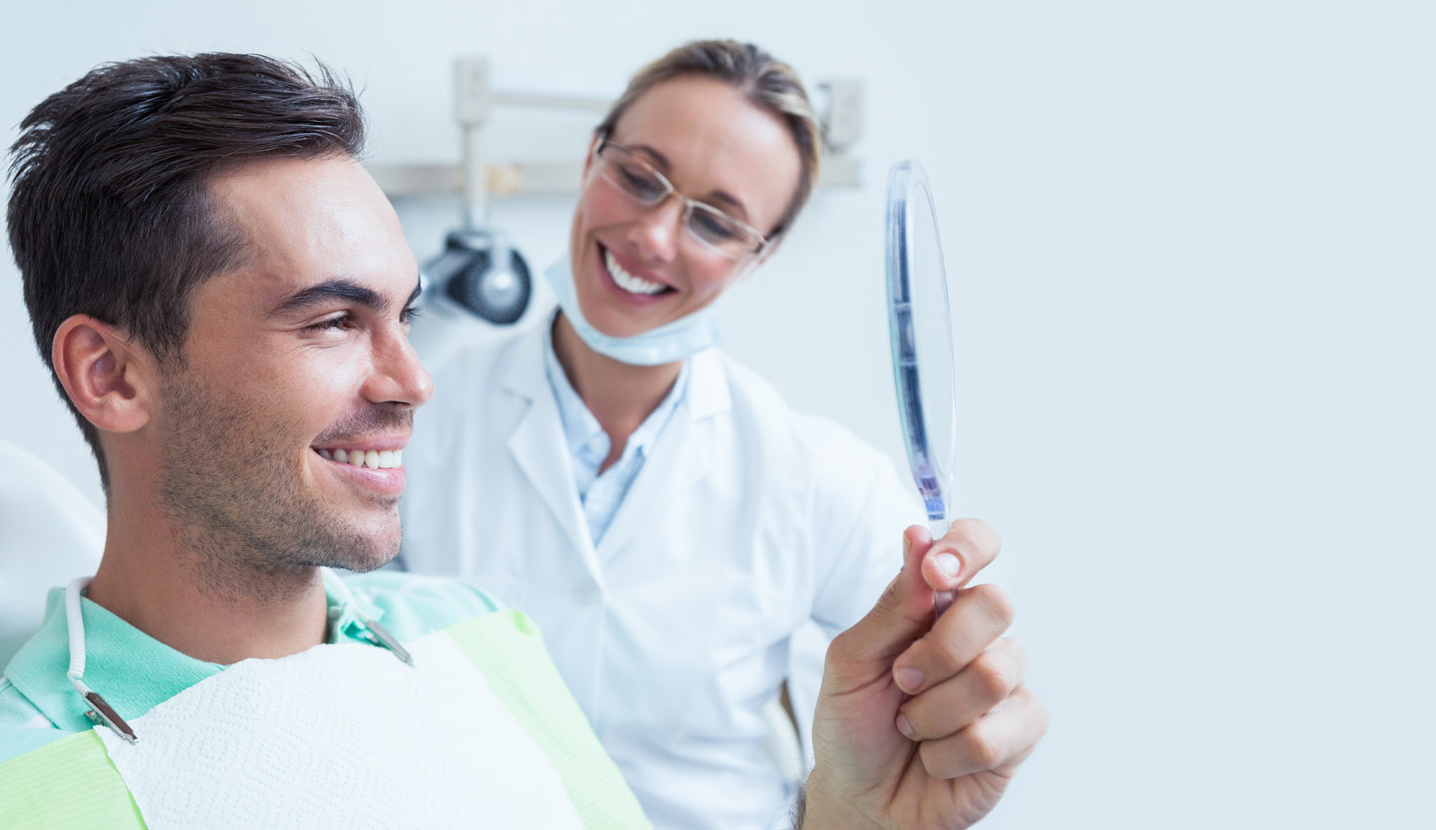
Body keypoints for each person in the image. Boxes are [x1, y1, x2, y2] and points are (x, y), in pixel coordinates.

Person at [0, 53, 1044, 830]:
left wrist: (849, 813)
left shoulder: (473, 633)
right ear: (111, 373)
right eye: (333, 320)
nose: (414, 381)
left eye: (404, 313)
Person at [396, 40, 1027, 829]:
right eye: (639, 177)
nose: (656, 237)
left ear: (760, 255)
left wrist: (952, 687)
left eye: (716, 221)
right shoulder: (412, 425)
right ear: (591, 159)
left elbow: (924, 719)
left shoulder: (819, 478)